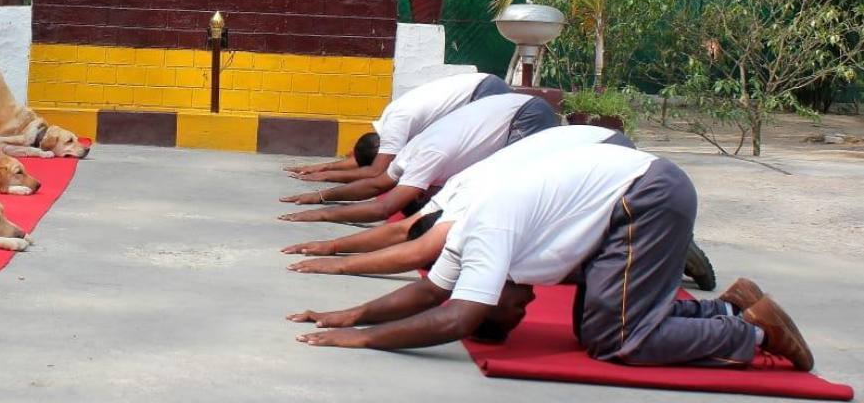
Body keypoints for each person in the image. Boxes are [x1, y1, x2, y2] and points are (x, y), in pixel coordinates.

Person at [288, 143, 815, 372]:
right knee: (597, 328)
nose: (526, 309)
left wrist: (360, 336)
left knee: (620, 341)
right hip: (637, 197)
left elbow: (455, 315)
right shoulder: (470, 237)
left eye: (508, 315)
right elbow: (429, 290)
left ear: (489, 292)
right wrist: (351, 312)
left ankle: (756, 334)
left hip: (646, 195)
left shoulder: (487, 231)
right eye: (519, 318)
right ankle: (728, 309)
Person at [282, 124, 633, 276]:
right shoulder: (450, 194)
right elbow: (402, 231)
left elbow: (397, 226)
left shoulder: (469, 204)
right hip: (584, 142)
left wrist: (335, 255)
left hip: (603, 151)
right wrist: (330, 242)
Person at [279, 93, 556, 224]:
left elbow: (383, 208)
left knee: (510, 190)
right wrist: (321, 196)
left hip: (522, 113)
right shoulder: (409, 155)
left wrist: (323, 212)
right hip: (514, 109)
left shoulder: (424, 157)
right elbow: (377, 185)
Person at [284, 73, 510, 183]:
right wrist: (321, 167)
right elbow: (367, 161)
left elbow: (375, 171)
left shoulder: (396, 126)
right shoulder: (387, 126)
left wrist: (325, 178)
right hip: (482, 87)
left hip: (483, 92)